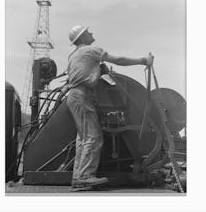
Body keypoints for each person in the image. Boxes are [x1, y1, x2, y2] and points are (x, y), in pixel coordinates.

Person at [65, 25, 153, 192]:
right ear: (83, 37)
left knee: (83, 138)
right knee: (93, 137)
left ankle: (78, 176)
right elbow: (119, 60)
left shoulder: (73, 55)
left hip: (74, 96)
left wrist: (98, 69)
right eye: (88, 32)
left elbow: (80, 72)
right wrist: (143, 61)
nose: (91, 33)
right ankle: (84, 177)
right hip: (83, 96)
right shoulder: (91, 50)